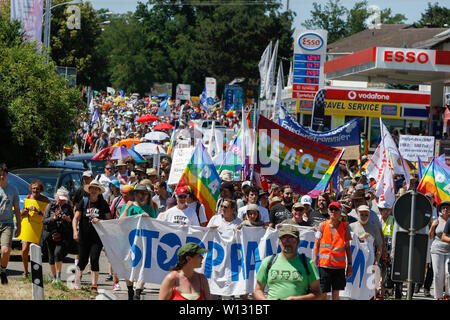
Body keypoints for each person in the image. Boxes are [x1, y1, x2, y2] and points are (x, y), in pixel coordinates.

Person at [254, 225, 321, 300]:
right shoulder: (268, 262)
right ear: (279, 241)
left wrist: (298, 299)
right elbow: (258, 290)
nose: (287, 243)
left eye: (291, 239)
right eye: (284, 239)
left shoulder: (308, 263)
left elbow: (317, 294)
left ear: (298, 242)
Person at [72, 180, 112, 292]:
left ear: (99, 191)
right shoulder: (84, 201)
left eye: (96, 189)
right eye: (92, 188)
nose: (94, 190)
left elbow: (109, 220)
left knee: (94, 259)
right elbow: (75, 218)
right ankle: (77, 281)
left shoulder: (103, 204)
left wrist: (100, 220)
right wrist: (75, 231)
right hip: (84, 236)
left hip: (97, 237)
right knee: (82, 260)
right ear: (89, 190)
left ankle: (94, 285)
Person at [119, 184, 157, 300]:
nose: (143, 195)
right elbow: (120, 223)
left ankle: (138, 292)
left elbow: (155, 226)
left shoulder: (150, 209)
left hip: (144, 242)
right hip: (128, 242)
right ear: (135, 194)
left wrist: (148, 219)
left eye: (145, 193)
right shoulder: (128, 206)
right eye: (140, 193)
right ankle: (130, 290)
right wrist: (126, 208)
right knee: (128, 268)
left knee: (143, 267)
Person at [313, 201, 353, 300]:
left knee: (336, 294)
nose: (333, 211)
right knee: (323, 293)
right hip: (324, 265)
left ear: (340, 212)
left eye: (336, 209)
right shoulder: (322, 225)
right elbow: (316, 245)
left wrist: (350, 265)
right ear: (328, 211)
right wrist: (314, 261)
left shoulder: (345, 227)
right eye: (331, 209)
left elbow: (348, 247)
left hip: (338, 267)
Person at [17, 180, 50, 277]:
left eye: (38, 189)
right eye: (34, 188)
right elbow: (21, 214)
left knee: (36, 250)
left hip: (38, 226)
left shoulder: (45, 200)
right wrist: (27, 210)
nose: (35, 190)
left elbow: (47, 215)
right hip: (27, 224)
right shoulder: (28, 198)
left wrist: (38, 211)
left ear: (41, 190)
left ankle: (36, 272)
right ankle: (26, 271)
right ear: (31, 188)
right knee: (24, 250)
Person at [350, 205, 383, 299]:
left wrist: (376, 261)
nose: (364, 217)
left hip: (369, 263)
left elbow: (379, 246)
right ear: (357, 213)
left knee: (368, 288)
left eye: (366, 215)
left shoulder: (374, 228)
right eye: (362, 214)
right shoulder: (351, 227)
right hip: (355, 263)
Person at [42, 187, 73, 283]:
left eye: (64, 199)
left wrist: (68, 219)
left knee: (58, 254)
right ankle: (54, 277)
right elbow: (44, 221)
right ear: (56, 197)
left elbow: (72, 220)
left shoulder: (68, 207)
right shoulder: (50, 206)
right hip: (50, 233)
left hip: (63, 234)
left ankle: (58, 277)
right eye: (60, 199)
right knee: (51, 256)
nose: (62, 201)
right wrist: (54, 218)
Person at [0, 163, 21, 285]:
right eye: (0, 174)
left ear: (7, 175)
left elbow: (17, 209)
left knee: (6, 250)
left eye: (4, 174)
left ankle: (3, 270)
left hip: (7, 223)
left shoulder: (13, 190)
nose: (2, 176)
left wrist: (19, 225)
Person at [429, 200, 450, 300]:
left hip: (449, 249)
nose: (445, 209)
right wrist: (432, 226)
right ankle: (438, 296)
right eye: (443, 207)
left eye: (447, 207)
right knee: (438, 273)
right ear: (440, 210)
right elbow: (430, 236)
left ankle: (448, 294)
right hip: (437, 249)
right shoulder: (436, 220)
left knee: (448, 273)